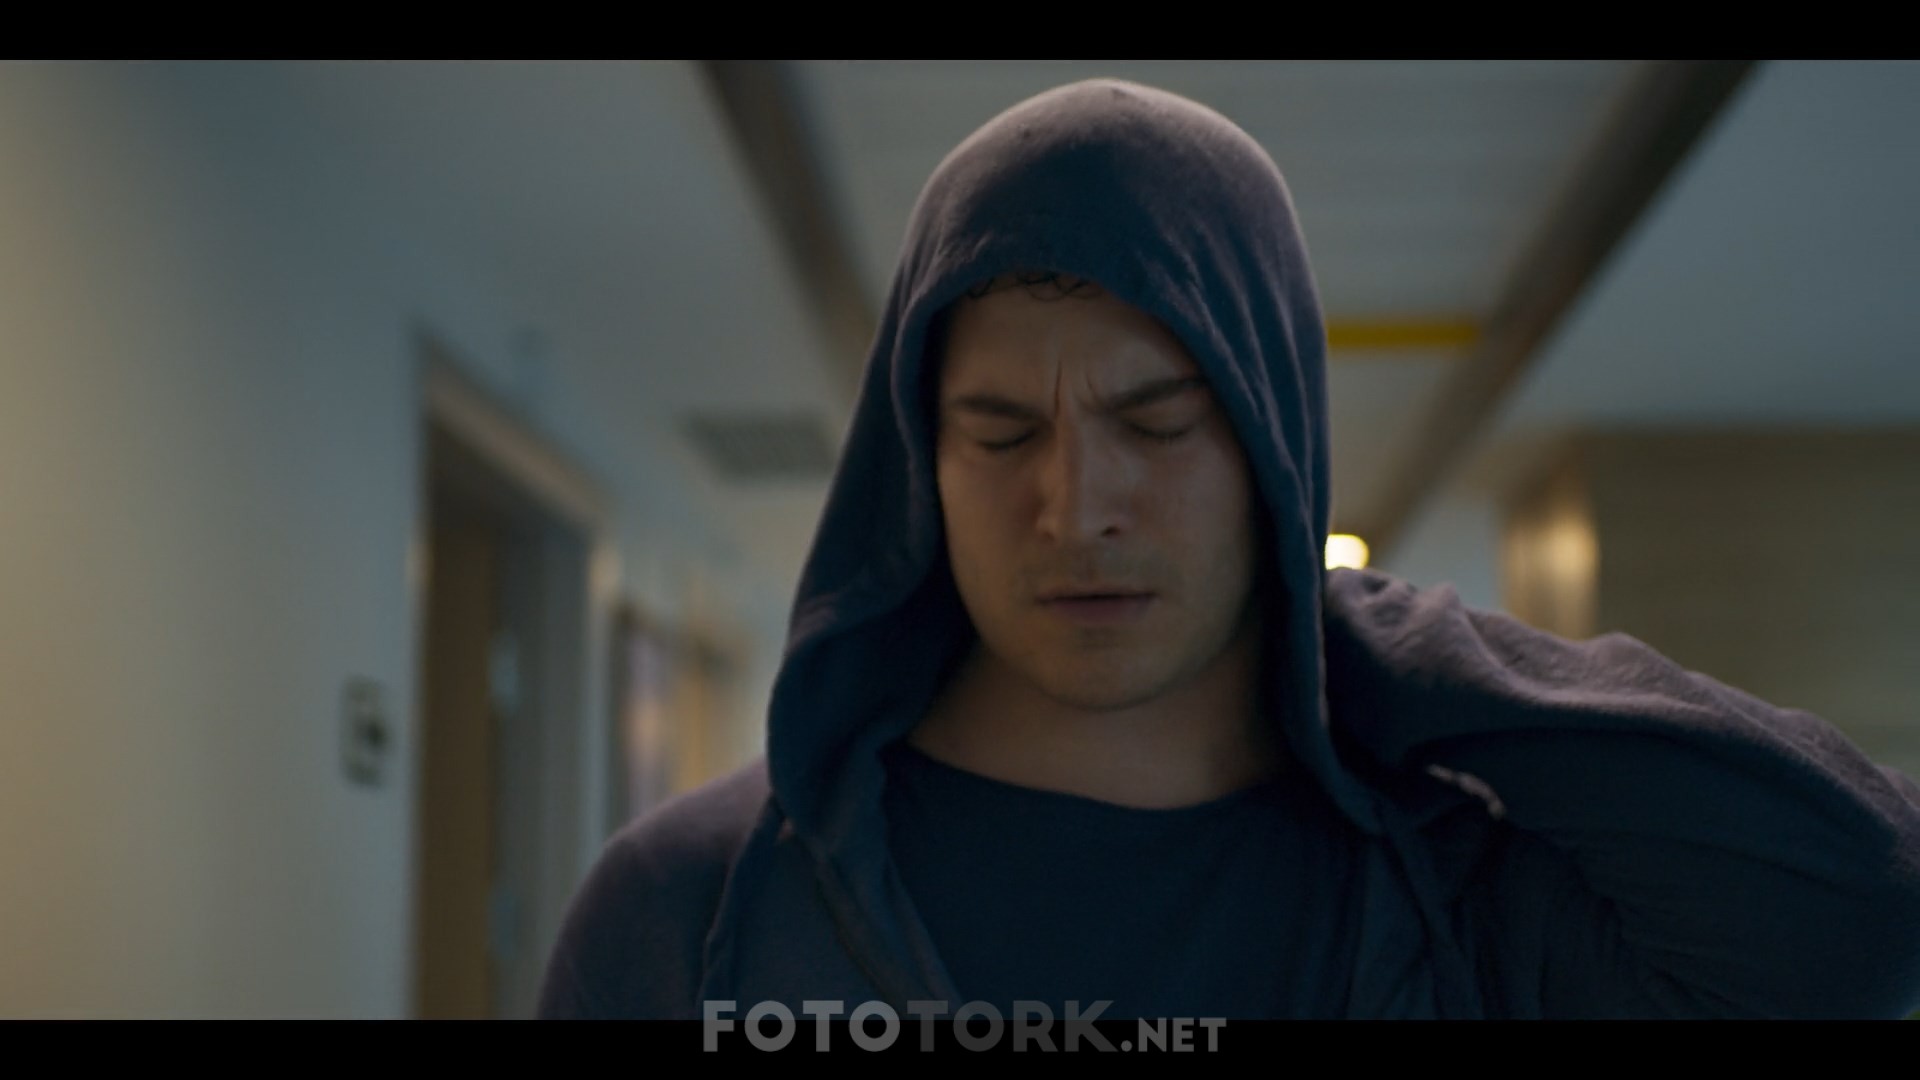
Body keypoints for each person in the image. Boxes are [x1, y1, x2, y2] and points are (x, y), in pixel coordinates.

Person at [538, 79, 1920, 1021]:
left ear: (1270, 445)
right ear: (918, 466)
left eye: (1159, 422)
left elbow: (1864, 914)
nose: (1077, 507)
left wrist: (1352, 632)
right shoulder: (691, 907)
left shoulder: (1456, 901)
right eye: (1003, 432)